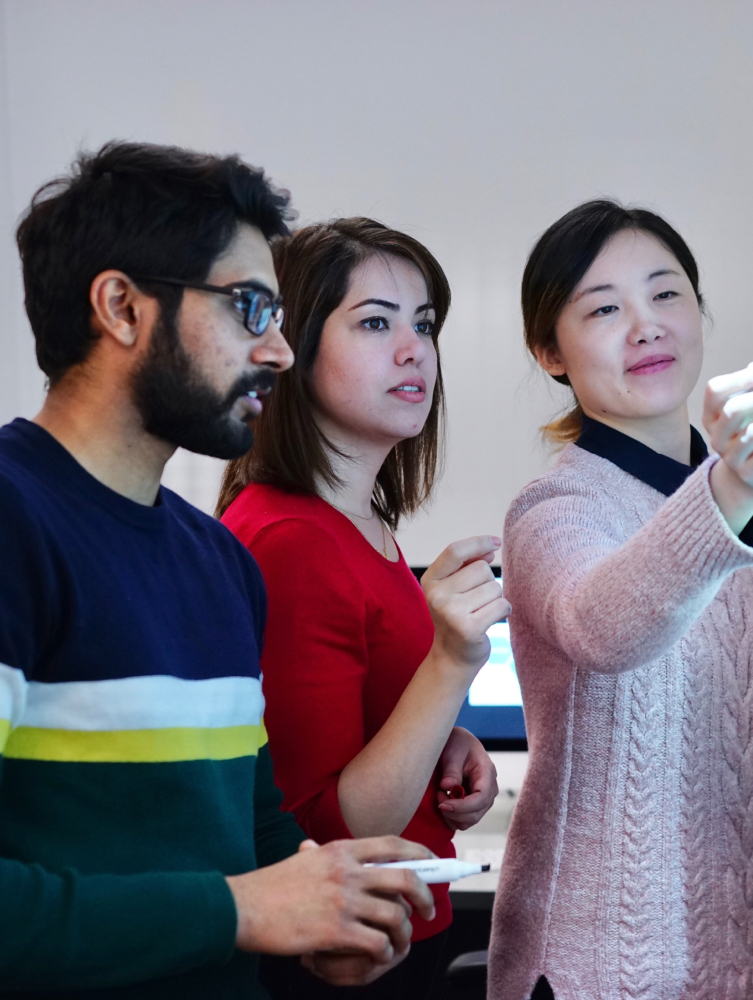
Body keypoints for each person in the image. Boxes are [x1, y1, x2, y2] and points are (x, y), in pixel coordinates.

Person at [0, 143, 436, 1000]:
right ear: (120, 307)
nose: (279, 352)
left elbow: (253, 841)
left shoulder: (218, 561)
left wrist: (330, 909)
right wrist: (243, 913)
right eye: (250, 308)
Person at [489, 200, 753, 1000]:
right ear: (549, 353)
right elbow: (605, 625)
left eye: (666, 294)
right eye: (603, 309)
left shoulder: (720, 496)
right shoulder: (553, 510)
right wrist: (729, 489)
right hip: (595, 969)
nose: (646, 326)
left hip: (729, 963)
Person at [217, 218, 508, 998]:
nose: (414, 350)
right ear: (295, 348)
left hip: (388, 936)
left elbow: (360, 733)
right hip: (344, 958)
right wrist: (451, 666)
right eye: (376, 323)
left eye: (425, 325)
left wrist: (446, 740)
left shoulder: (360, 526)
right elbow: (327, 828)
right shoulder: (289, 540)